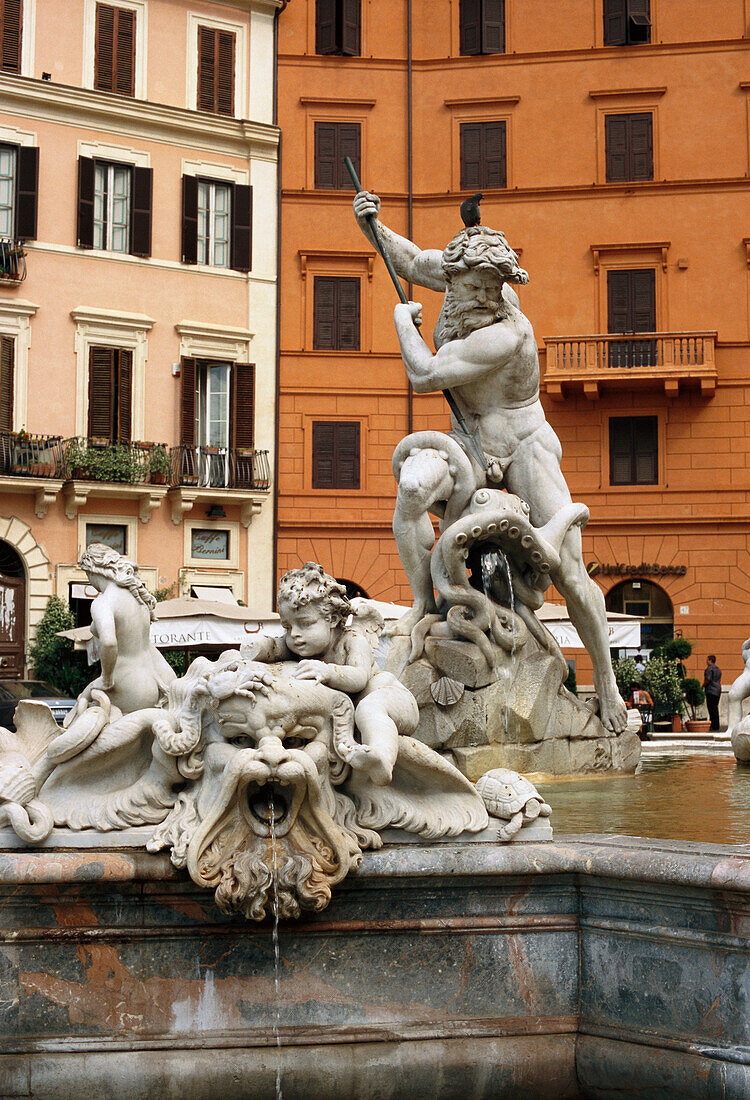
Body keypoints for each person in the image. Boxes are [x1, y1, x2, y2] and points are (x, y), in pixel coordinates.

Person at [352, 190, 627, 734]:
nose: (483, 296)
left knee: (570, 570)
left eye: (492, 287)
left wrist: (402, 321)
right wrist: (373, 226)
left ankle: (610, 685)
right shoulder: (455, 282)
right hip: (465, 444)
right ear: (451, 282)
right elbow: (408, 262)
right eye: (473, 286)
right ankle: (420, 601)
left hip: (525, 445)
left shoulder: (508, 329)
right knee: (411, 490)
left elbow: (426, 374)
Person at [248, 563, 418, 786]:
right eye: (287, 627)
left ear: (333, 620)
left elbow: (359, 678)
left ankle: (382, 761)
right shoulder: (302, 644)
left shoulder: (353, 640)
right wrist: (257, 647)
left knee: (369, 709)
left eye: (305, 624)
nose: (295, 635)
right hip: (355, 710)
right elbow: (276, 648)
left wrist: (328, 671)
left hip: (391, 698)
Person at [65, 544, 175, 722]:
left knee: (81, 718)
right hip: (160, 677)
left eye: (87, 574)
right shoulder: (139, 597)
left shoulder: (104, 602)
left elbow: (108, 642)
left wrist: (106, 678)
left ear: (94, 570)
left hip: (129, 685)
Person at [703, 654, 722, 731]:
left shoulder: (709, 669)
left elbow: (708, 679)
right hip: (718, 690)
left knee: (711, 708)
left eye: (707, 660)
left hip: (711, 690)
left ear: (710, 660)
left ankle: (713, 725)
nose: (706, 661)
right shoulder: (718, 669)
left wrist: (703, 685)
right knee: (715, 708)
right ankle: (716, 725)